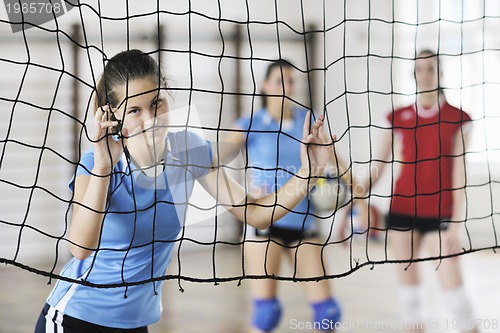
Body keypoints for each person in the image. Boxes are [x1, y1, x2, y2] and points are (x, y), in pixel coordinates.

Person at [34, 50, 331, 333]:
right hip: (74, 319)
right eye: (134, 110)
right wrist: (103, 165)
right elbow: (80, 248)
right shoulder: (96, 164)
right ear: (114, 117)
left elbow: (254, 213)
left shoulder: (188, 149)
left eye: (155, 103)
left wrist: (308, 173)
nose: (150, 120)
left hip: (135, 324)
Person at [221, 59, 342, 333]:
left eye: (291, 80)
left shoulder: (307, 120)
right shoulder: (250, 123)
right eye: (279, 80)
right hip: (265, 224)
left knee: (328, 314)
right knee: (267, 314)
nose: (286, 86)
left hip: (304, 223)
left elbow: (336, 160)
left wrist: (359, 198)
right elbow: (214, 160)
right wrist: (243, 195)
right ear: (265, 86)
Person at [366, 50, 478, 333]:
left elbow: (459, 172)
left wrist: (455, 224)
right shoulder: (397, 117)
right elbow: (380, 165)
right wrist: (356, 192)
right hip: (402, 209)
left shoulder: (459, 118)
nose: (425, 74)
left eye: (430, 68)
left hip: (440, 213)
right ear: (413, 74)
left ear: (440, 73)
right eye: (419, 69)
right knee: (410, 299)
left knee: (456, 296)